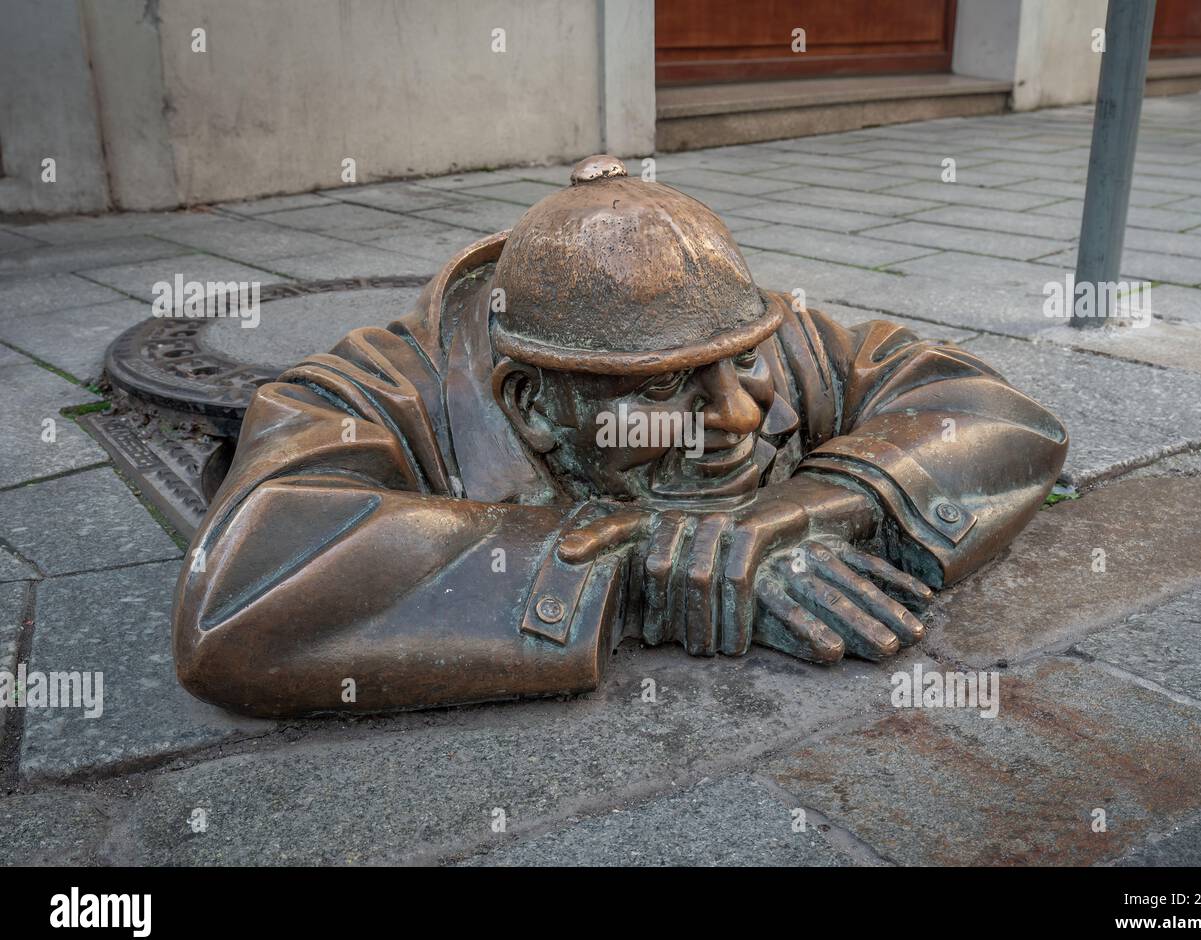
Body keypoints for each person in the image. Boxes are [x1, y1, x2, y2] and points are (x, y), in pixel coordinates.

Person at [173, 155, 1067, 717]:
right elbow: (241, 598)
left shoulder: (764, 338)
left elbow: (999, 414)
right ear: (526, 403)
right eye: (663, 388)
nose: (741, 413)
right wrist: (637, 566)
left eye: (740, 367)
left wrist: (798, 513)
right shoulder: (369, 390)